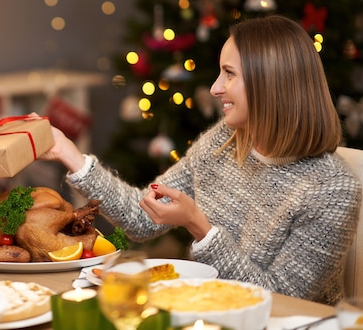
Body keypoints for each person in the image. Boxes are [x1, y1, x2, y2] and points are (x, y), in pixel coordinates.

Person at [42, 15, 362, 305]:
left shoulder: (331, 189)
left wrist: (199, 225)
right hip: (208, 312)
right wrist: (69, 154)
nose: (215, 88)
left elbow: (277, 300)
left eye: (229, 74)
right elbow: (141, 215)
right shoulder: (225, 141)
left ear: (270, 83)